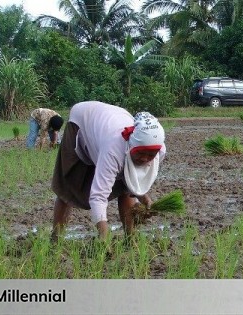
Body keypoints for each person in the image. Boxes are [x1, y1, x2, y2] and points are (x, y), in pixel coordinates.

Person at [50, 101, 166, 241]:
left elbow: (132, 182)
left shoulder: (159, 152)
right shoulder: (114, 150)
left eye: (150, 155)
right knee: (67, 189)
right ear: (131, 146)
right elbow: (98, 197)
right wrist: (104, 238)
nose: (145, 159)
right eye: (140, 153)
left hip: (106, 124)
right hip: (81, 123)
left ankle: (131, 239)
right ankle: (56, 239)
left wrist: (145, 199)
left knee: (124, 191)